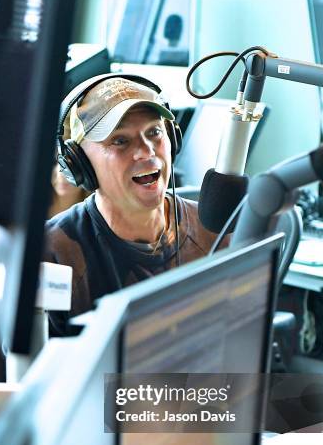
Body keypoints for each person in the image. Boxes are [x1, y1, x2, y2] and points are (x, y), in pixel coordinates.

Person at [44, 74, 219, 336]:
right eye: (120, 140)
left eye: (154, 132)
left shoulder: (215, 229)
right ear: (79, 164)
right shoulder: (52, 256)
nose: (146, 151)